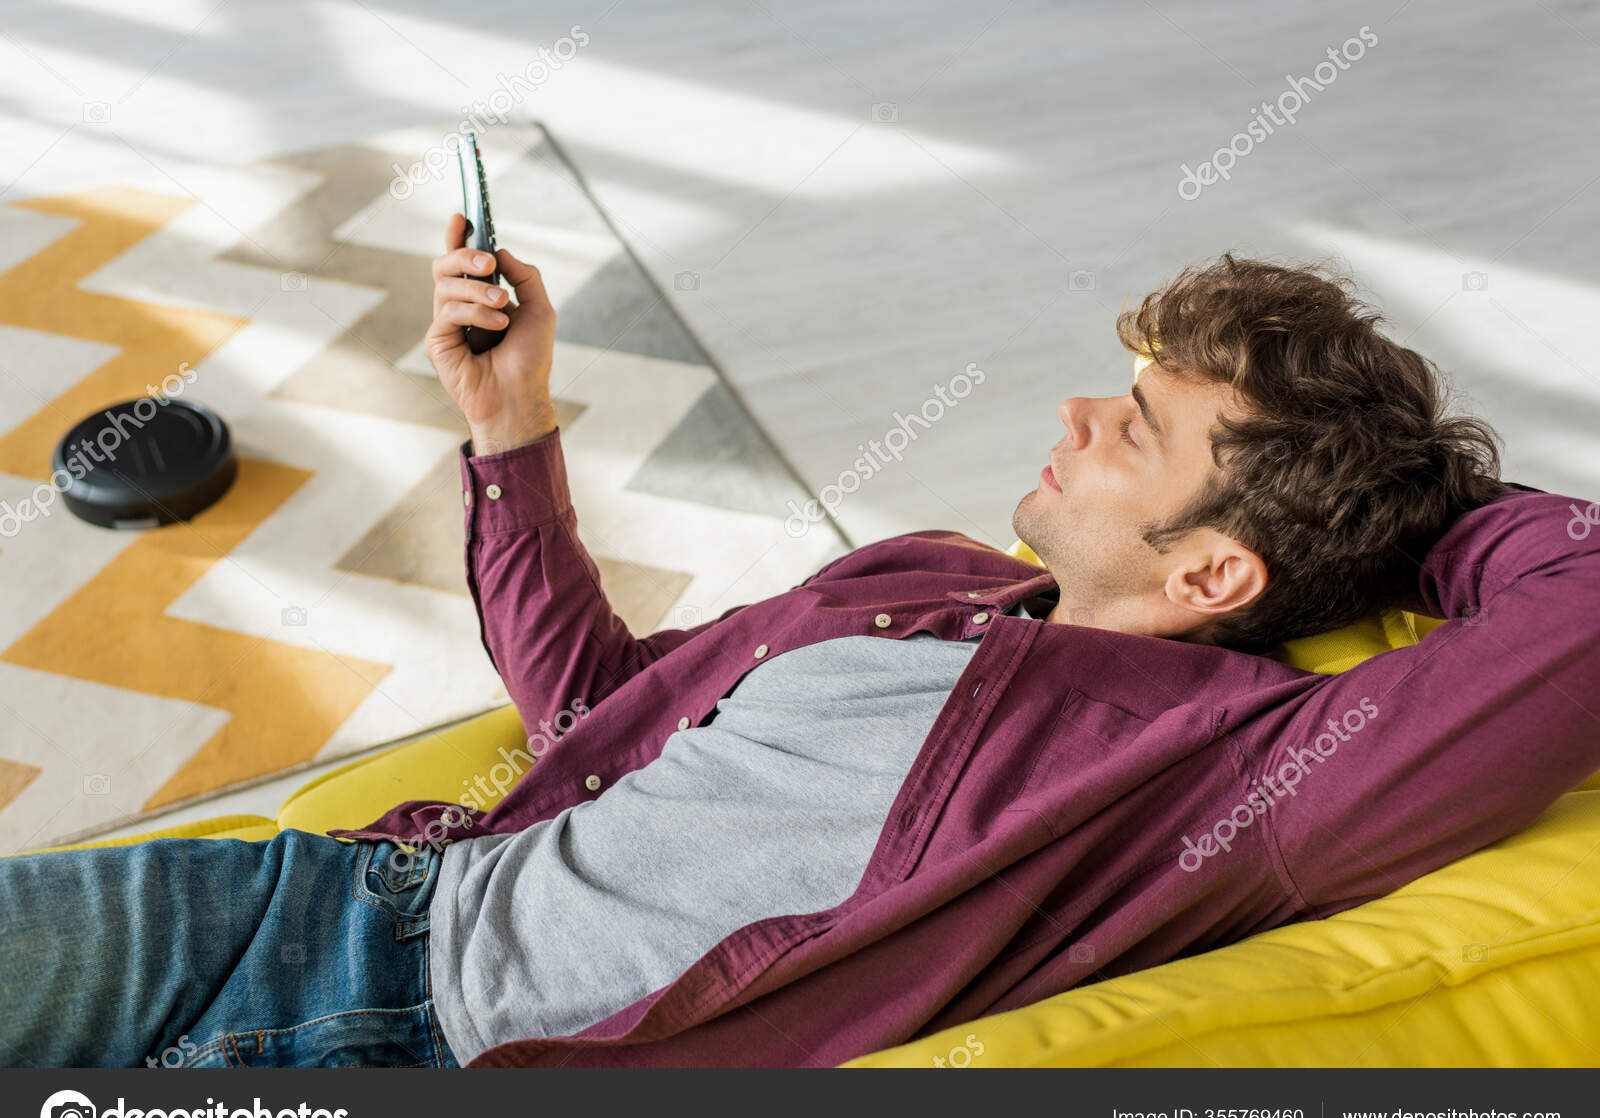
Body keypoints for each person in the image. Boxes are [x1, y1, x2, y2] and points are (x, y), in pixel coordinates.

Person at [4, 218, 1598, 1069]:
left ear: (1212, 576)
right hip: (334, 888)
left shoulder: (1232, 773)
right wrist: (510, 433)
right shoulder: (927, 579)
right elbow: (601, 713)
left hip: (431, 1058)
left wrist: (1416, 500)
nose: (1075, 412)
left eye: (1136, 430)